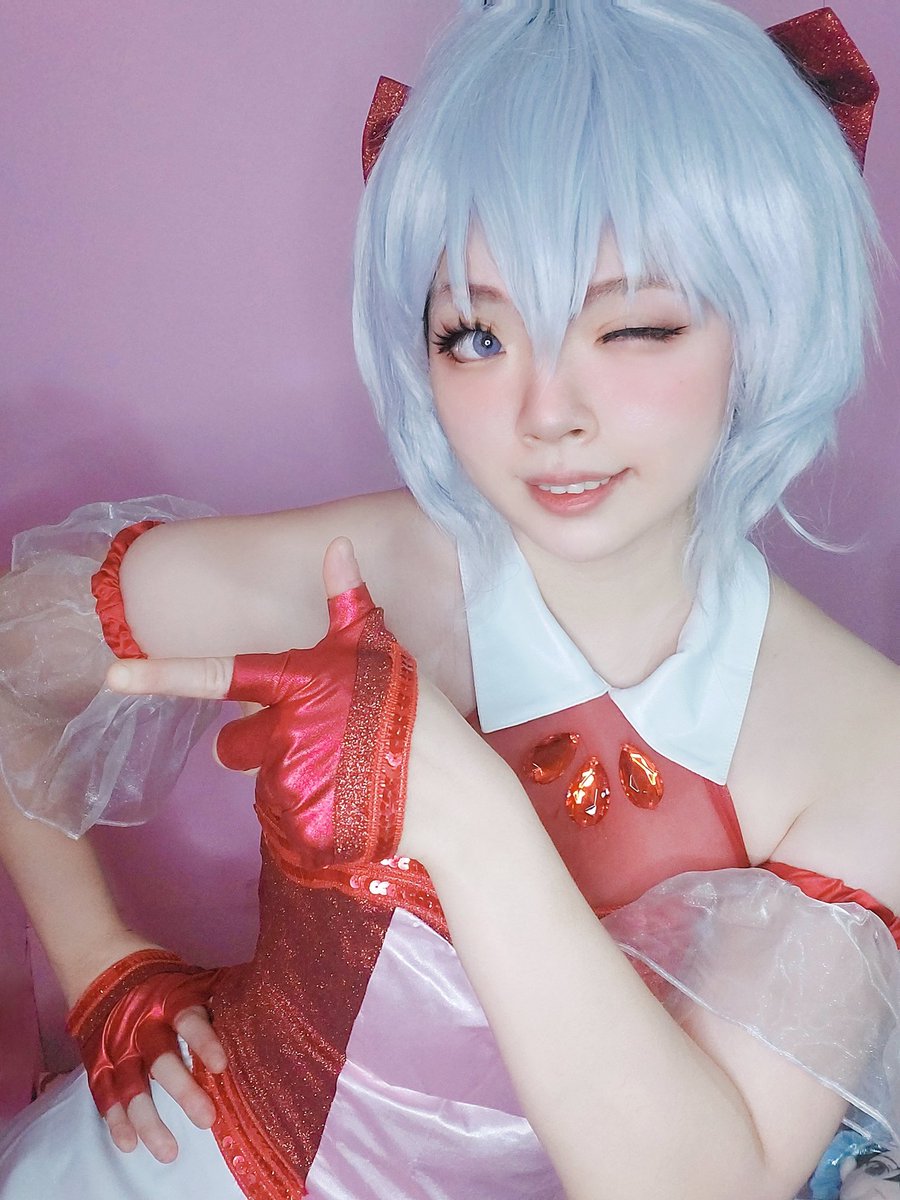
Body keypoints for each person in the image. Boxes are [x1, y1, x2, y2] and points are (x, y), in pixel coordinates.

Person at [0, 1, 897, 1198]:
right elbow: (13, 652)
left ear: (768, 320)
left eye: (634, 327)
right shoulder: (366, 568)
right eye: (476, 336)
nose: (546, 412)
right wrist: (100, 963)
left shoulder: (862, 742)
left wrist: (452, 797)